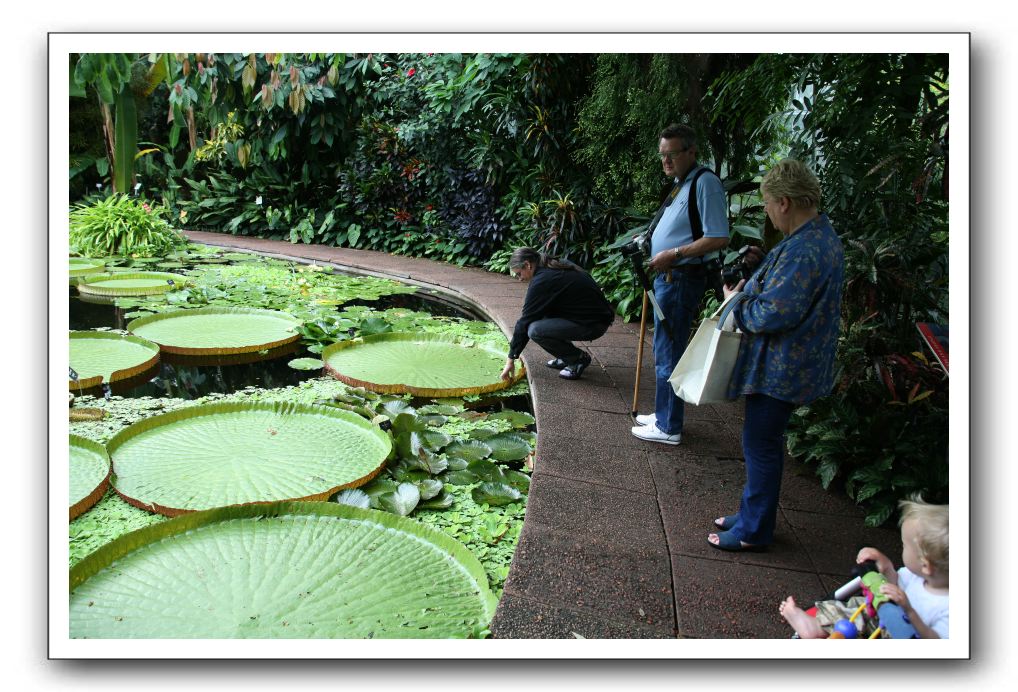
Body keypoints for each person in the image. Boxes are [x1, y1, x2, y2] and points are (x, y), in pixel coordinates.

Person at [707, 159, 844, 551]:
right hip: (790, 361)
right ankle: (753, 515)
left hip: (783, 365)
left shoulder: (805, 249)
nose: (767, 211)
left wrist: (735, 303)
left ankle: (754, 531)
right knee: (761, 440)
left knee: (760, 443)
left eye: (767, 204)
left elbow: (776, 311)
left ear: (783, 202)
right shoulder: (815, 236)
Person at [631, 124, 730, 446]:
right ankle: (663, 413)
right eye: (662, 155)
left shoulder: (705, 183)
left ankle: (669, 426)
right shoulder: (680, 184)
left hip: (681, 279)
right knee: (664, 347)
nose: (666, 161)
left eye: (672, 154)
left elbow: (717, 237)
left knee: (669, 350)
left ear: (691, 151)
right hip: (668, 278)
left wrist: (673, 253)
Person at [779, 496, 949, 639]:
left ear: (925, 565)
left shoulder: (949, 610)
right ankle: (816, 625)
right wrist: (886, 565)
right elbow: (892, 584)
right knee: (855, 606)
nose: (902, 548)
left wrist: (909, 612)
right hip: (877, 620)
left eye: (904, 545)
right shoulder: (916, 576)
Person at [499, 247, 614, 382]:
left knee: (535, 330)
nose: (519, 279)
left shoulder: (543, 280)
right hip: (593, 316)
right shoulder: (551, 264)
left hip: (593, 324)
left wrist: (511, 359)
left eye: (519, 273)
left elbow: (524, 322)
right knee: (541, 312)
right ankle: (566, 357)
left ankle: (577, 359)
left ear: (528, 265)